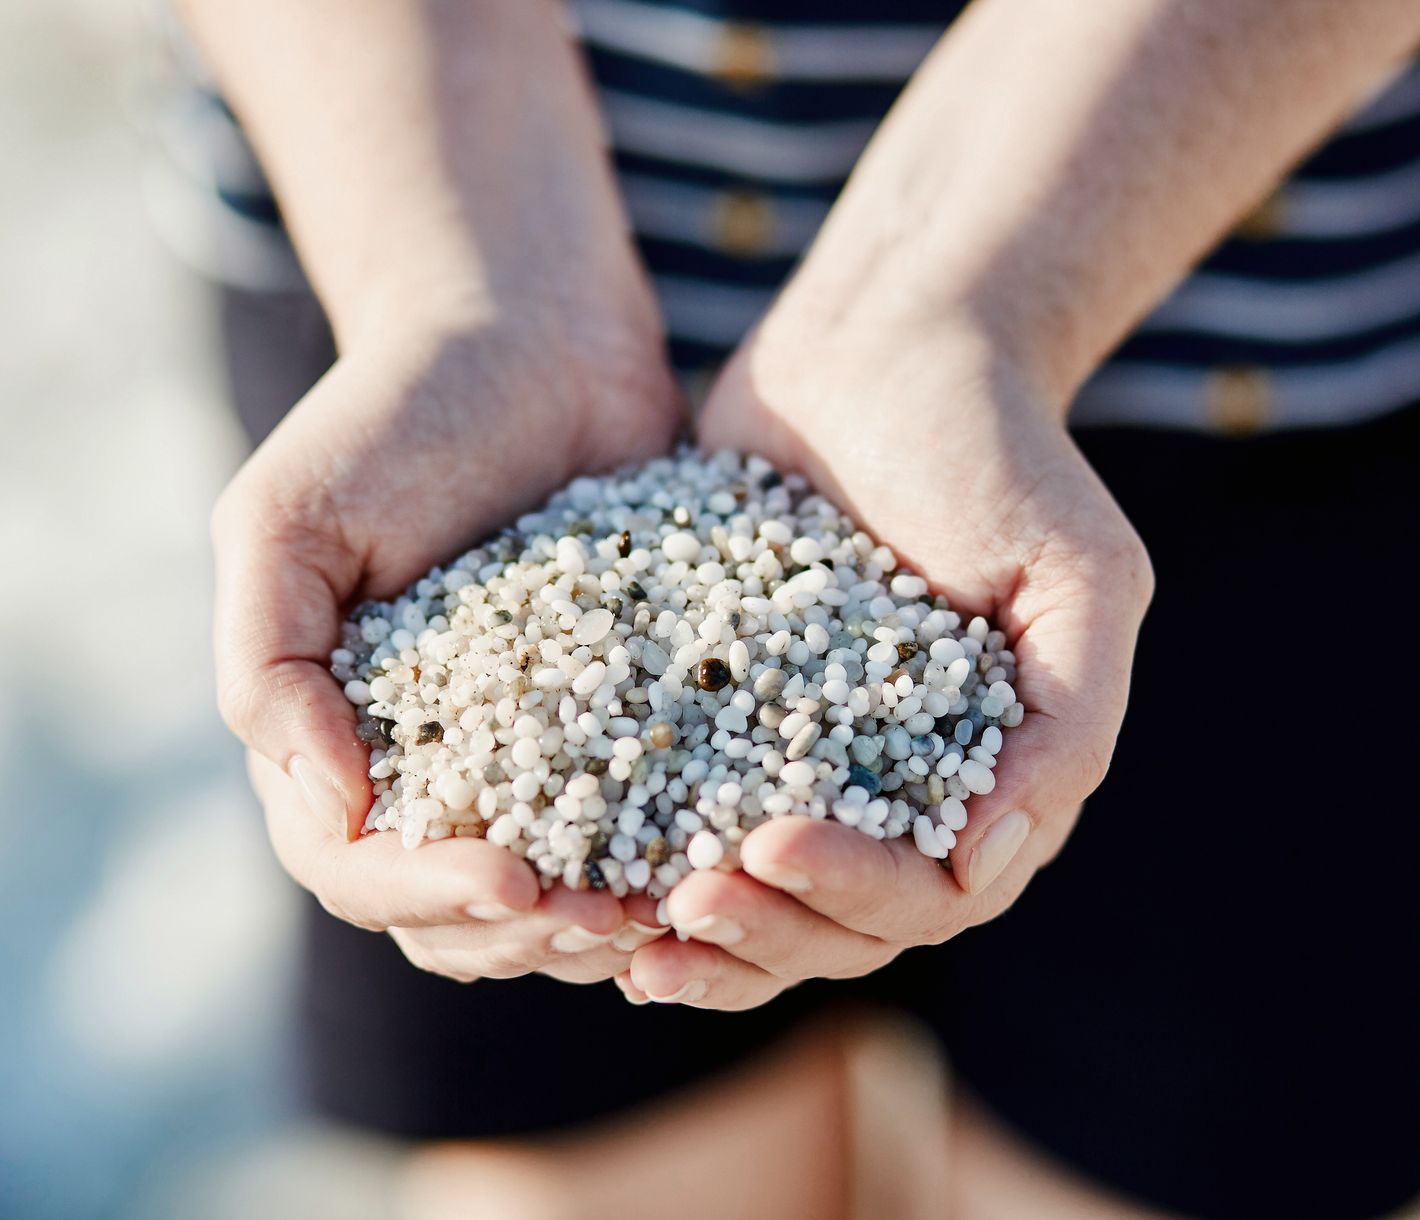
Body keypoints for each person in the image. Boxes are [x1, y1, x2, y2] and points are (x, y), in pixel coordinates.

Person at [175, 2, 1420, 1216]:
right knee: (590, 1159)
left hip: (1240, 288)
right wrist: (460, 281)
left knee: (1161, 1152)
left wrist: (958, 301)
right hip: (404, 204)